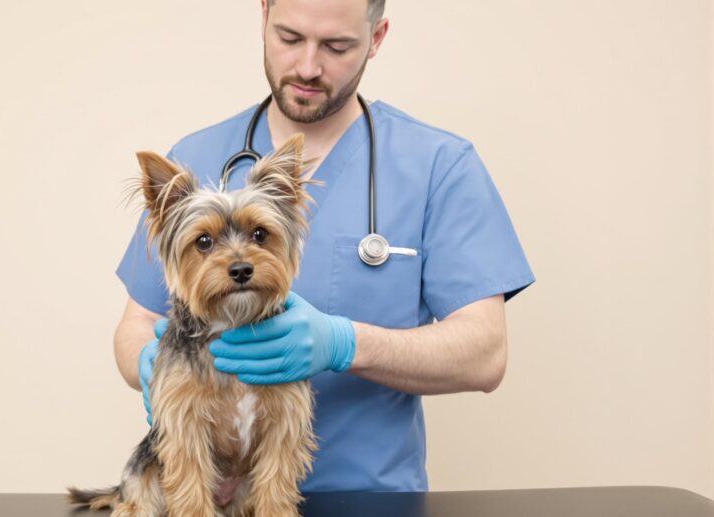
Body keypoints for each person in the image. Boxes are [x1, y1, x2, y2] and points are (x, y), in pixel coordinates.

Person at [112, 0, 535, 492]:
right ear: (263, 17)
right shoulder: (194, 157)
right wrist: (153, 364)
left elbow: (486, 355)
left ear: (376, 39)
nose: (308, 67)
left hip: (372, 499)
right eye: (290, 38)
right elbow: (135, 325)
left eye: (336, 46)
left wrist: (345, 344)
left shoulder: (440, 165)